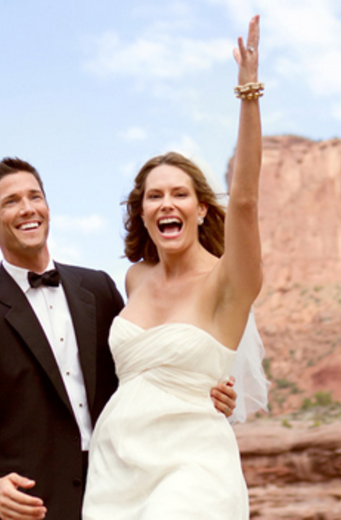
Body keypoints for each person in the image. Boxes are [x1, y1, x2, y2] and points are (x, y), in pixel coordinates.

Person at [0, 157, 239, 520]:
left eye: (35, 196)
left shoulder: (98, 289)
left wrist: (207, 387)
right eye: (11, 201)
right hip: (33, 506)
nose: (27, 208)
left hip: (125, 489)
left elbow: (144, 366)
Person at [82, 15, 265, 519]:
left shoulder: (230, 281)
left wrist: (248, 95)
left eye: (180, 194)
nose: (168, 203)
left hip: (194, 470)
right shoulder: (134, 279)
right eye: (154, 195)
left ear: (201, 207)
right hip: (116, 467)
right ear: (141, 211)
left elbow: (246, 201)